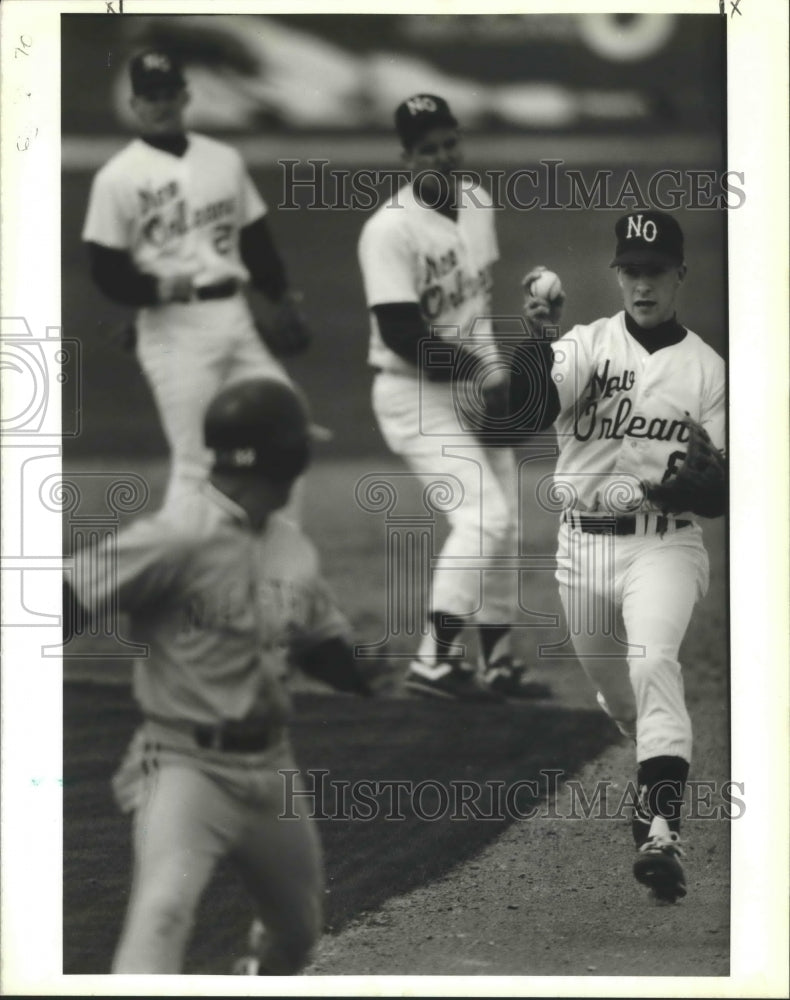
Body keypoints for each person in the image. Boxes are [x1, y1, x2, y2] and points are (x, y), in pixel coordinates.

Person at [64, 377, 372, 974]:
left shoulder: (291, 547)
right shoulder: (179, 537)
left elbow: (317, 642)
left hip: (271, 769)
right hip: (186, 765)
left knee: (297, 935)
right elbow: (67, 593)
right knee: (162, 912)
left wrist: (365, 674)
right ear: (284, 457)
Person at [517, 210, 726, 902]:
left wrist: (704, 482)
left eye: (656, 272)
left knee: (654, 661)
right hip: (579, 551)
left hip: (663, 547)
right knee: (619, 695)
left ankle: (661, 828)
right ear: (618, 275)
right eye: (632, 272)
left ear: (679, 276)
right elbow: (526, 405)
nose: (643, 285)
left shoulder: (707, 371)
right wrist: (536, 338)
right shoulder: (588, 346)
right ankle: (653, 771)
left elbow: (720, 491)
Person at [357, 93, 535, 702]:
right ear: (406, 158)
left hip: (468, 382)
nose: (442, 156)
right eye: (427, 149)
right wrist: (480, 375)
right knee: (482, 515)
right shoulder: (388, 230)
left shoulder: (478, 203)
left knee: (505, 518)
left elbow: (476, 310)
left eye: (448, 143)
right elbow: (402, 335)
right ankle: (434, 661)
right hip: (413, 394)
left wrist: (493, 377)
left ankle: (497, 661)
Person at [82, 49, 310, 510]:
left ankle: (277, 571)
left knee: (287, 430)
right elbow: (106, 268)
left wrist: (280, 295)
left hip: (234, 316)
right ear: (135, 105)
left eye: (169, 93)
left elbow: (255, 239)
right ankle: (180, 573)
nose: (162, 104)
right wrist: (155, 289)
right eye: (151, 96)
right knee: (196, 459)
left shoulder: (223, 159)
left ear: (186, 96)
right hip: (172, 328)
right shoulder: (117, 178)